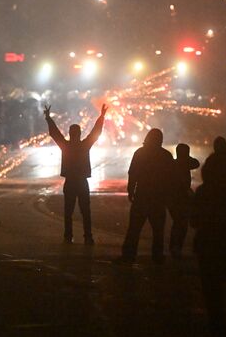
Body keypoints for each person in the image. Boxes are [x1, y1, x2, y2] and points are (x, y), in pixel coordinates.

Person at [190, 142, 226, 337]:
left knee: (210, 285)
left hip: (207, 244)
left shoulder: (204, 192)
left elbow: (194, 220)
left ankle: (216, 321)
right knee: (224, 280)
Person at [44, 104, 108, 244]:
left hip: (70, 182)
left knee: (68, 212)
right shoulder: (84, 145)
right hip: (82, 182)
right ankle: (88, 237)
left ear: (70, 133)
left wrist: (48, 118)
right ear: (79, 133)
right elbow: (95, 133)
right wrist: (101, 117)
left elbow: (54, 133)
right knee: (86, 212)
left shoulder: (65, 146)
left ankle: (68, 236)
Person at [118, 128, 174, 264]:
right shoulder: (166, 155)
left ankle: (128, 256)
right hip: (158, 198)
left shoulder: (140, 153)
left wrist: (131, 190)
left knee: (134, 229)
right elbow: (170, 178)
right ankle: (157, 256)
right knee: (158, 231)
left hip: (142, 196)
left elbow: (133, 174)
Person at [168, 143, 199, 259]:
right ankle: (176, 247)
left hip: (173, 197)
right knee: (181, 223)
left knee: (178, 223)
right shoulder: (185, 163)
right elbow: (196, 163)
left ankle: (174, 247)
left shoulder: (174, 164)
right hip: (181, 197)